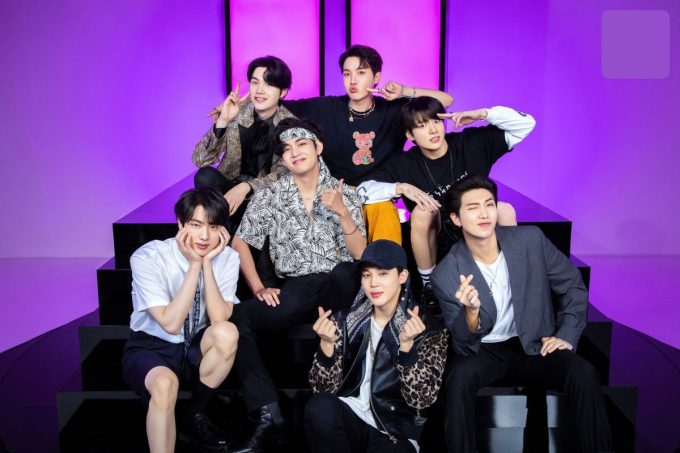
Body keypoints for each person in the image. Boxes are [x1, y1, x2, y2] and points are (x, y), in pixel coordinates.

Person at [431, 175, 612, 453]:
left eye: (489, 204)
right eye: (473, 208)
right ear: (456, 219)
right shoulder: (446, 273)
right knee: (457, 380)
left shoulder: (530, 240)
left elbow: (572, 285)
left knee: (583, 373)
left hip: (535, 343)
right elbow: (463, 346)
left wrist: (565, 335)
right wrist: (471, 312)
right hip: (485, 350)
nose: (484, 214)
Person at [229, 118, 367, 452]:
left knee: (345, 273)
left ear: (318, 147)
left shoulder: (346, 192)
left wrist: (343, 214)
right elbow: (240, 243)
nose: (295, 152)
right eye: (287, 149)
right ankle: (268, 412)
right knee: (236, 318)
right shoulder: (270, 195)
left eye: (302, 144)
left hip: (341, 285)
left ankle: (349, 398)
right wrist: (259, 287)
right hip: (299, 288)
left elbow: (362, 254)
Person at [358, 96, 535, 302]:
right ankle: (429, 285)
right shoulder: (405, 163)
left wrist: (482, 114)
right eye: (422, 125)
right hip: (437, 233)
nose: (433, 130)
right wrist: (401, 187)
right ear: (410, 134)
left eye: (436, 121)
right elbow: (362, 190)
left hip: (475, 224)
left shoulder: (469, 143)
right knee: (422, 212)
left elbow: (526, 124)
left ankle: (513, 278)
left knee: (504, 210)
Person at [283, 45, 454, 245]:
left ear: (376, 77)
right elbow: (280, 107)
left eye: (361, 72)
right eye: (347, 74)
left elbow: (446, 100)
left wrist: (404, 91)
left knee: (383, 212)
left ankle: (386, 264)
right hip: (337, 192)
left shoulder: (393, 110)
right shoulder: (327, 107)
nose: (353, 80)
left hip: (378, 193)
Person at [121, 187, 241, 452]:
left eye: (213, 226)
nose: (205, 236)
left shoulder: (228, 258)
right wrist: (194, 265)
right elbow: (171, 323)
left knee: (228, 332)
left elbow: (219, 318)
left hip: (196, 346)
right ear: (180, 224)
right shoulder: (148, 257)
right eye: (196, 225)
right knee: (165, 385)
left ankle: (195, 411)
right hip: (152, 346)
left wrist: (207, 263)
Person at [305, 240, 449, 452]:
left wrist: (407, 349)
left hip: (392, 428)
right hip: (352, 414)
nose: (373, 283)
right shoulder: (344, 321)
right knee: (320, 407)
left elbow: (422, 399)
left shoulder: (430, 330)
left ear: (402, 276)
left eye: (382, 274)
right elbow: (322, 390)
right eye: (367, 275)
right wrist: (327, 345)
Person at [192, 55, 296, 223]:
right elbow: (200, 160)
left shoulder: (290, 126)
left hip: (262, 200)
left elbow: (285, 174)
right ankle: (221, 227)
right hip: (227, 195)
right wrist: (223, 121)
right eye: (255, 82)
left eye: (268, 84)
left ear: (283, 92)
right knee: (204, 176)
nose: (259, 90)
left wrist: (247, 187)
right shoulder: (237, 112)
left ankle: (228, 229)